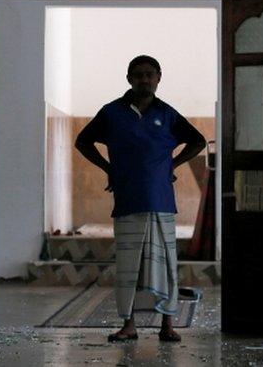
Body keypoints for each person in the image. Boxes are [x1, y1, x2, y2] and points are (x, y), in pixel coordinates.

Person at [74, 55, 206, 343]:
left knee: (167, 265)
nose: (144, 79)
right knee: (128, 267)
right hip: (128, 201)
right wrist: (108, 168)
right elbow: (82, 141)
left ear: (159, 77)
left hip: (162, 202)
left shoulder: (168, 114)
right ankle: (129, 325)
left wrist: (172, 164)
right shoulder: (111, 113)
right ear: (129, 79)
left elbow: (198, 141)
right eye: (138, 75)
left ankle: (167, 326)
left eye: (149, 74)